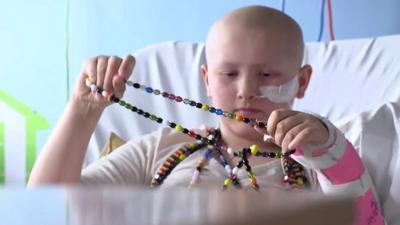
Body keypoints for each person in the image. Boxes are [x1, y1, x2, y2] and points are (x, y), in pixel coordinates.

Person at [28, 5, 384, 224]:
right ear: (207, 81)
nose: (247, 90)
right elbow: (45, 211)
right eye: (229, 74)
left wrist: (327, 145)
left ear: (301, 81)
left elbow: (367, 219)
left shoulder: (318, 157)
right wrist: (82, 112)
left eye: (267, 75)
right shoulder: (163, 149)